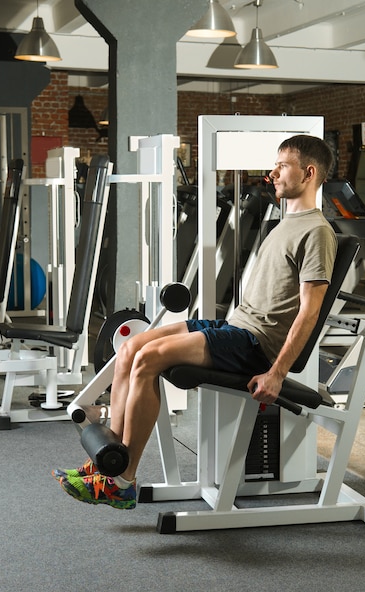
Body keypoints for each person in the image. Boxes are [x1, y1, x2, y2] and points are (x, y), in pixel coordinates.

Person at [53, 134, 338, 510]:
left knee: (147, 360)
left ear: (309, 173)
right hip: (234, 327)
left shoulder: (316, 231)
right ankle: (105, 469)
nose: (272, 173)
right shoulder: (286, 222)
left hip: (254, 344)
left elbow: (309, 311)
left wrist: (277, 374)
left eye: (282, 166)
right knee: (132, 347)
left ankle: (122, 481)